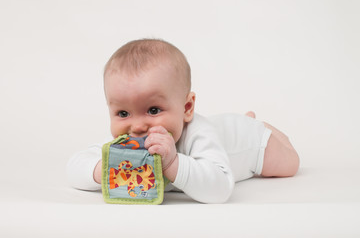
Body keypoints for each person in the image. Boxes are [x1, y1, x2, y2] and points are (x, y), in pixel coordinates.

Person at [67, 38, 299, 204]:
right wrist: (105, 169)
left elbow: (220, 188)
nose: (136, 126)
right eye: (123, 114)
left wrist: (172, 163)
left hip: (250, 142)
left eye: (153, 109)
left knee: (290, 165)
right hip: (224, 129)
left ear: (187, 108)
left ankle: (261, 126)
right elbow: (74, 166)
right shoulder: (126, 142)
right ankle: (244, 120)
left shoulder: (199, 134)